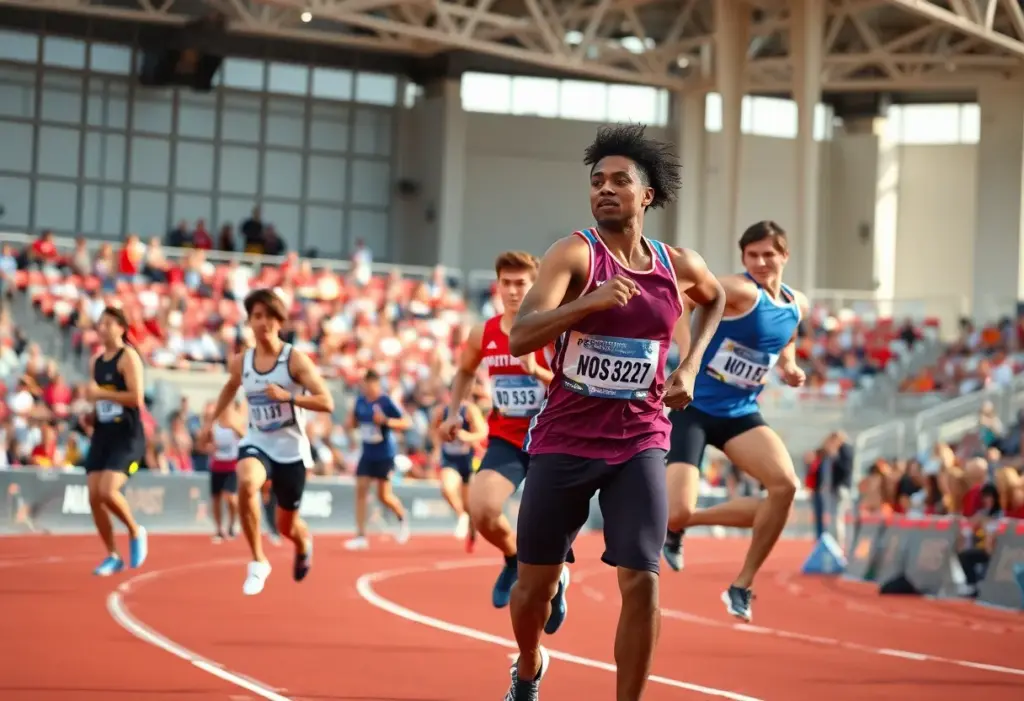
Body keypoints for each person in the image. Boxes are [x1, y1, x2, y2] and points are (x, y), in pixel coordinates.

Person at [503, 124, 725, 701]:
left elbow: (716, 297)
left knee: (643, 585)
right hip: (564, 439)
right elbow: (522, 335)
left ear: (646, 194)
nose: (604, 189)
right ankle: (528, 665)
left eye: (619, 180)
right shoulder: (575, 254)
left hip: (641, 438)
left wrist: (691, 365)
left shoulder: (677, 264)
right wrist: (589, 303)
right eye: (596, 181)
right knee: (532, 590)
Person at [662, 220, 806, 623]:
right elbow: (686, 297)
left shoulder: (797, 304)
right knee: (676, 511)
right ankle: (678, 524)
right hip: (693, 410)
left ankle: (742, 583)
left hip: (740, 413)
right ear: (743, 258)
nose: (760, 262)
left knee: (785, 486)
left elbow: (788, 336)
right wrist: (689, 359)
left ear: (785, 256)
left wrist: (790, 366)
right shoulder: (743, 291)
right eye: (752, 255)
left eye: (768, 254)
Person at [438, 251, 559, 615]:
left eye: (520, 283)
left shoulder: (553, 330)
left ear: (534, 285)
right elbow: (463, 371)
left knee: (544, 532)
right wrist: (455, 411)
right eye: (505, 283)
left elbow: (574, 385)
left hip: (551, 441)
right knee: (483, 511)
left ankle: (556, 583)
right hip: (506, 437)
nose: (512, 290)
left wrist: (538, 373)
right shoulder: (484, 332)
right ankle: (512, 559)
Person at [200, 288, 334, 595]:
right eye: (256, 317)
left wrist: (288, 397)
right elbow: (230, 387)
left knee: (287, 526)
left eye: (268, 317)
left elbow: (327, 402)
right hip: (258, 442)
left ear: (279, 321)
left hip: (291, 452)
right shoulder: (242, 362)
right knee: (247, 483)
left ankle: (303, 544)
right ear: (249, 322)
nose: (262, 323)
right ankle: (258, 561)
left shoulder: (294, 360)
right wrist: (210, 422)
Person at [84, 306, 150, 576]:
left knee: (108, 491)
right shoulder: (96, 362)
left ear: (122, 328)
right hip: (102, 435)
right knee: (93, 496)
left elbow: (136, 399)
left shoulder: (128, 357)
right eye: (100, 323)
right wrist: (91, 413)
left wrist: (100, 394)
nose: (103, 328)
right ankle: (112, 554)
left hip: (127, 437)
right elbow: (99, 399)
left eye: (109, 323)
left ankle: (136, 531)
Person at [343, 370, 412, 550]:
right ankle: (360, 535)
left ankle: (402, 516)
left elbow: (406, 422)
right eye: (364, 385)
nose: (366, 388)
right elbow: (352, 422)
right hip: (367, 453)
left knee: (384, 495)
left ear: (376, 384)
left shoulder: (386, 402)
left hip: (385, 454)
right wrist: (350, 424)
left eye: (369, 384)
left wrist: (386, 421)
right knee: (361, 491)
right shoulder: (359, 402)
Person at [431, 398, 487, 540]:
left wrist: (468, 436)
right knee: (447, 489)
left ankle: (472, 532)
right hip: (450, 459)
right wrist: (437, 448)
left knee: (469, 504)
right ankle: (461, 516)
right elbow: (433, 430)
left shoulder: (470, 410)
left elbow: (483, 431)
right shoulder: (442, 411)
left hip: (468, 460)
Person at [207, 397, 245, 543]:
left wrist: (234, 427)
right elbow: (203, 443)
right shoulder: (214, 424)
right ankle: (218, 529)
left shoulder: (237, 424)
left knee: (230, 498)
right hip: (217, 465)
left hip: (232, 466)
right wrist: (208, 446)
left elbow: (245, 437)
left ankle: (232, 523)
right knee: (216, 498)